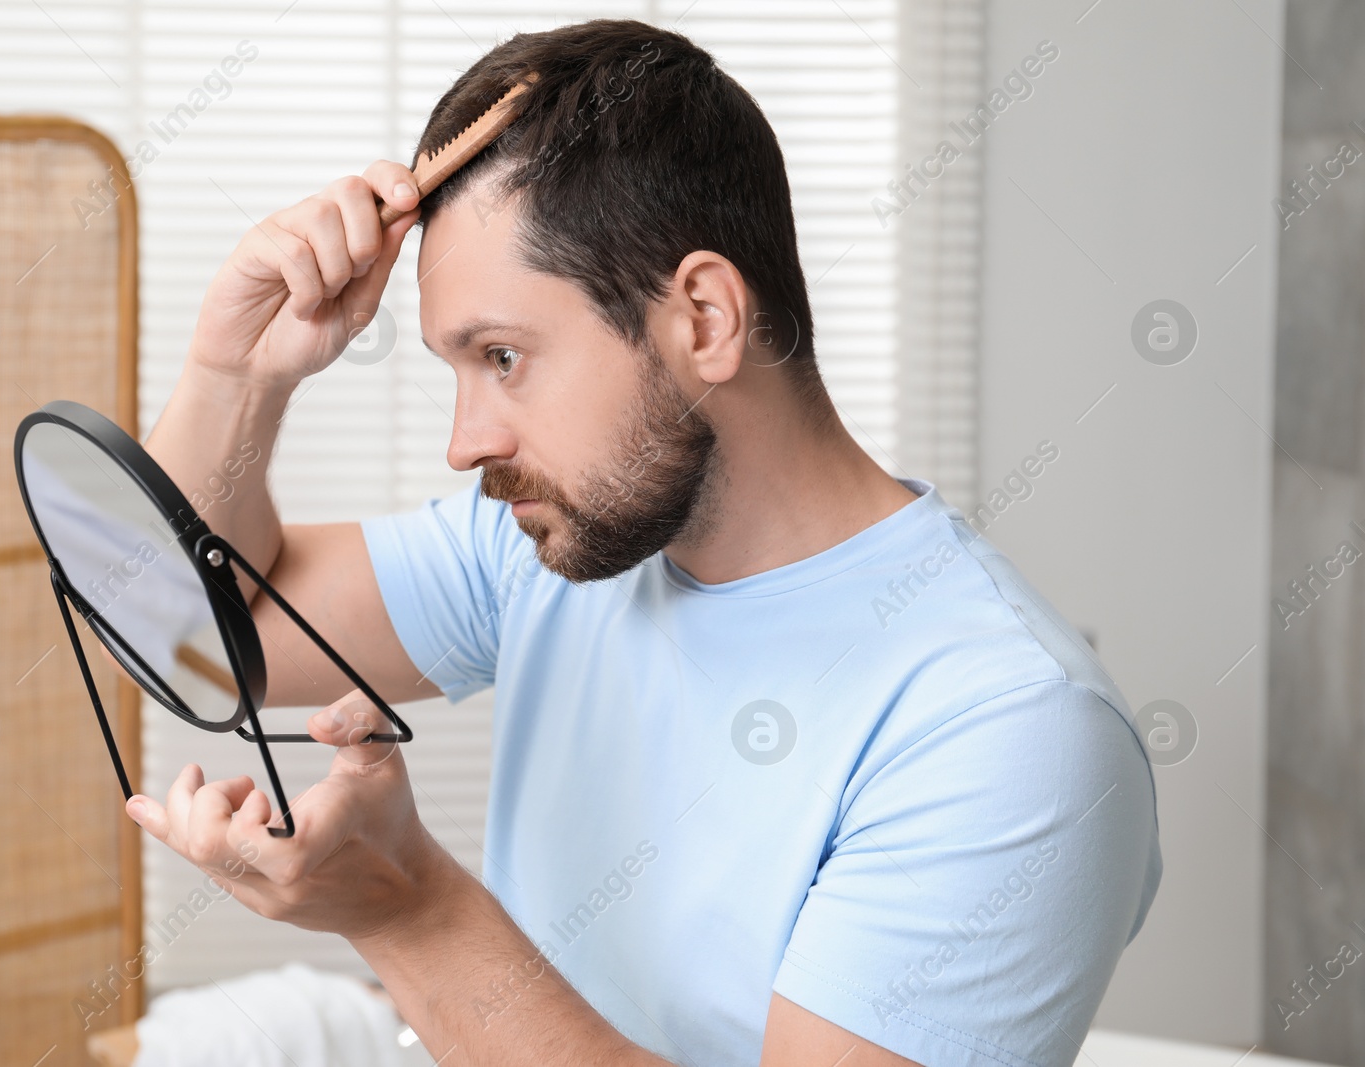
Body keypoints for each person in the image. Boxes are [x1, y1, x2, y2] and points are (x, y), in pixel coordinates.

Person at [127, 18, 1161, 1067]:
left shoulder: (1005, 728)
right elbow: (188, 628)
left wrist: (408, 912)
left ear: (705, 318)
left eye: (503, 355)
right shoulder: (545, 546)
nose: (464, 442)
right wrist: (235, 373)